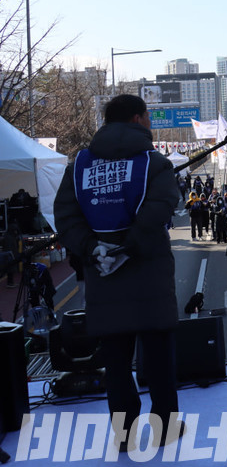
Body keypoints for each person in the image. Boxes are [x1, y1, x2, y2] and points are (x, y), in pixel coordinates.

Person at [53, 94, 183, 447]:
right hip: (149, 274)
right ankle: (165, 429)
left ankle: (124, 434)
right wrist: (130, 247)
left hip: (103, 276)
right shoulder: (154, 163)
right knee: (157, 358)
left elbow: (66, 217)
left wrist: (93, 248)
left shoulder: (79, 165)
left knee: (116, 363)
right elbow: (159, 209)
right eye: (148, 118)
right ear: (138, 120)